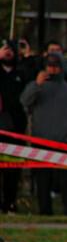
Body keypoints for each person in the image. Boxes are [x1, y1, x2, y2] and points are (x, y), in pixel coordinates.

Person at [20, 53, 67, 215]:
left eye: (56, 66)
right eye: (49, 66)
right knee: (43, 183)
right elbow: (24, 102)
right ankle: (44, 212)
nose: (52, 70)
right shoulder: (37, 87)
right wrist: (36, 85)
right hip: (41, 142)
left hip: (64, 143)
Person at [0, 39, 28, 214]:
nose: (8, 52)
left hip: (16, 130)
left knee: (13, 170)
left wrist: (28, 55)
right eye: (4, 49)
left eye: (11, 49)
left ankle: (10, 203)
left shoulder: (21, 73)